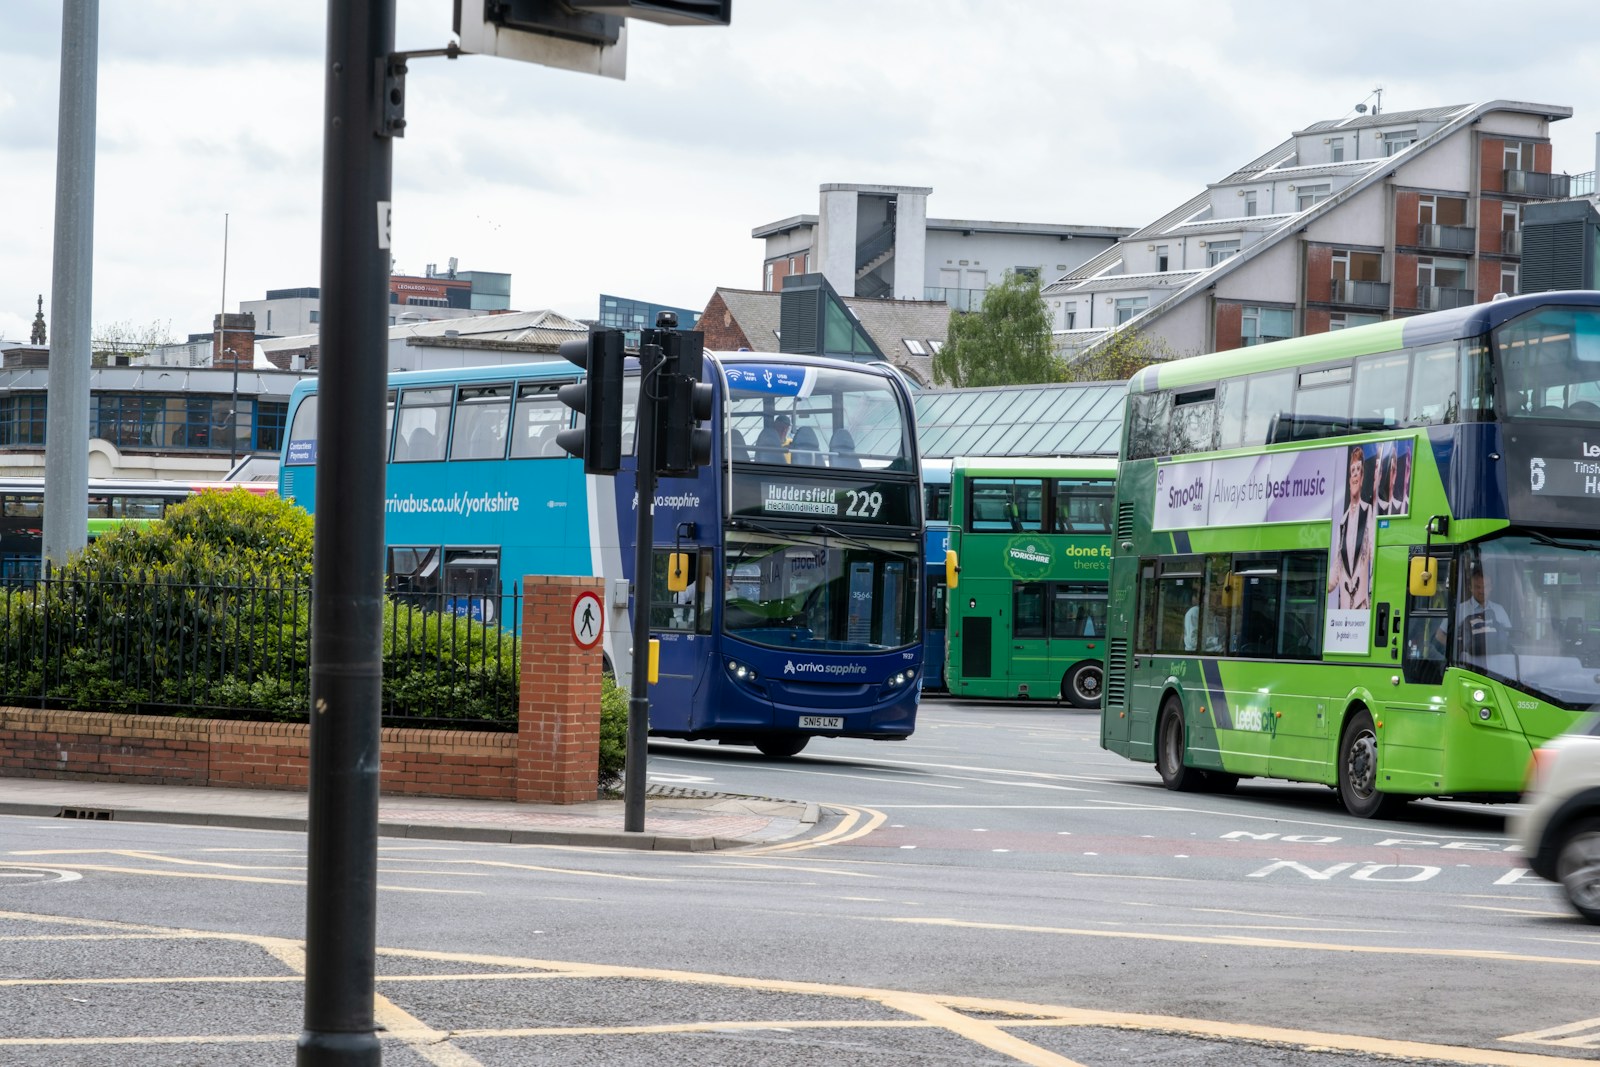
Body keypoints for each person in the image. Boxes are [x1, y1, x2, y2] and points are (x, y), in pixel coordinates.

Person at [1328, 444, 1375, 610]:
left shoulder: (1369, 512)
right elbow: (1336, 567)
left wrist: (1371, 591)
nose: (1355, 475)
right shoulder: (1342, 522)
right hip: (1344, 612)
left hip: (1362, 607)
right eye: (1352, 471)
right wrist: (1319, 586)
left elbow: (1374, 556)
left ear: (1362, 479)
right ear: (1349, 479)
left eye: (1358, 470)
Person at [1436, 565, 1510, 661]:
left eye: (1485, 587)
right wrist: (1459, 649)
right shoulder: (1460, 610)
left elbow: (1508, 636)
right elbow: (1439, 635)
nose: (1482, 591)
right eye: (1477, 587)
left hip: (1496, 665)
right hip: (1468, 666)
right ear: (1470, 588)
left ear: (1491, 587)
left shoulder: (1499, 610)